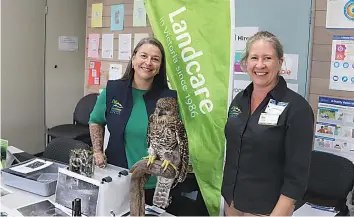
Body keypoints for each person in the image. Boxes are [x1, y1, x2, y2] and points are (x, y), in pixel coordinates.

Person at [222, 31, 314, 216]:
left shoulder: (297, 108)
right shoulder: (240, 99)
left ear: (280, 62)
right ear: (246, 62)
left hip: (267, 210)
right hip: (231, 203)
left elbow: (297, 175)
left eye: (268, 58)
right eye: (254, 57)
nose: (260, 65)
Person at [88, 37, 178, 206]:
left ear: (159, 67)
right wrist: (97, 151)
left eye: (155, 59)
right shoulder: (113, 90)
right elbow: (95, 120)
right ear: (133, 58)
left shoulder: (169, 99)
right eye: (143, 56)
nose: (148, 62)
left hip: (152, 182)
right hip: (117, 176)